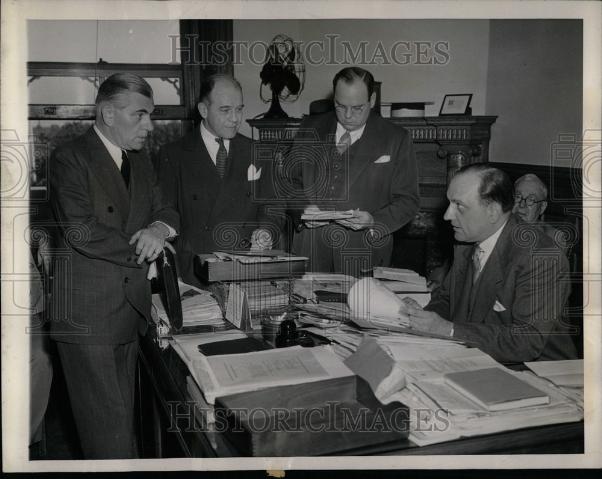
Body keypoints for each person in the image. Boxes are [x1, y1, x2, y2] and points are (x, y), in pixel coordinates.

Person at [49, 73, 179, 459]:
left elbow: (166, 208)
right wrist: (146, 246)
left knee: (122, 428)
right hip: (88, 319)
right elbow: (80, 231)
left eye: (151, 115)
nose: (149, 126)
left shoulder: (140, 161)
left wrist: (158, 228)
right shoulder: (69, 157)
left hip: (130, 310)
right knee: (107, 438)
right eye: (140, 115)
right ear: (108, 113)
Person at [403, 163, 577, 363]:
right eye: (450, 203)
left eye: (459, 205)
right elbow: (447, 299)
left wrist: (447, 329)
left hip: (535, 374)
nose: (447, 215)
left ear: (493, 211)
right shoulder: (467, 240)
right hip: (475, 358)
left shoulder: (541, 257)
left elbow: (526, 343)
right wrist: (421, 316)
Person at [254, 66, 419, 276]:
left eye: (358, 108)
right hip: (309, 250)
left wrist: (374, 221)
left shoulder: (396, 138)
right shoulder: (309, 127)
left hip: (363, 253)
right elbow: (289, 181)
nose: (348, 115)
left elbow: (409, 200)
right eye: (340, 106)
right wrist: (302, 208)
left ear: (372, 99)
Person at [158, 74, 265, 286]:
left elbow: (272, 206)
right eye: (225, 110)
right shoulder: (173, 154)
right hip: (195, 273)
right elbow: (165, 210)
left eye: (239, 109)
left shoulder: (256, 151)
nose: (235, 118)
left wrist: (266, 230)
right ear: (203, 110)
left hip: (246, 269)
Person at [513, 173, 568, 252]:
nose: (522, 205)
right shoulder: (496, 226)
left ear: (542, 207)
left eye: (531, 200)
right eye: (518, 197)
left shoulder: (553, 239)